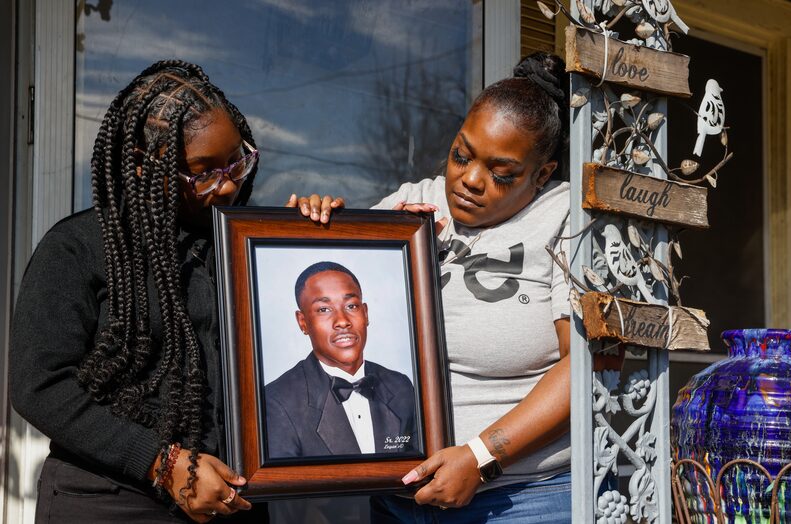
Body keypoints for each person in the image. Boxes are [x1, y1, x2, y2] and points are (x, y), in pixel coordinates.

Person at [296, 52, 573, 523]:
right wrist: (311, 226)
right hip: (399, 499)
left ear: (542, 174)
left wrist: (482, 457)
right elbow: (328, 302)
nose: (469, 179)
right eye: (461, 154)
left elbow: (585, 368)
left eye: (501, 173)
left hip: (522, 499)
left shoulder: (565, 217)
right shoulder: (411, 203)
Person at [9, 60, 274, 523]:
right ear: (140, 165)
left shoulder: (240, 246)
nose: (229, 184)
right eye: (204, 172)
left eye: (238, 160)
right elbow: (39, 386)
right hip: (109, 502)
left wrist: (311, 235)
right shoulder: (79, 247)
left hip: (233, 500)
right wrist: (165, 463)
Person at [264, 261, 419, 459]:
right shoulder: (277, 401)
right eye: (324, 309)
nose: (343, 321)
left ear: (365, 313)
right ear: (303, 322)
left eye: (351, 306)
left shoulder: (400, 386)